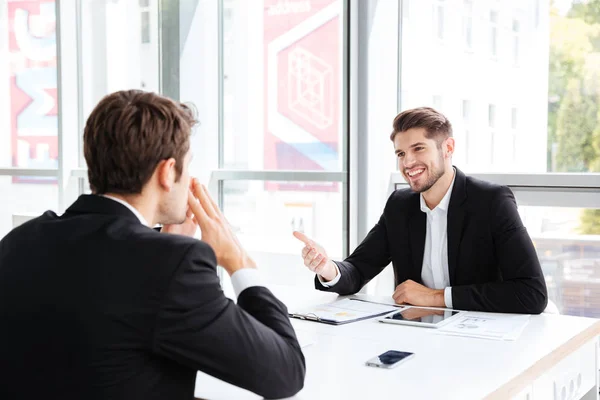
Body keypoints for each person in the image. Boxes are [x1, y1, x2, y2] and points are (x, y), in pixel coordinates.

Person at [0, 90, 305, 400]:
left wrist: (165, 249)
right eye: (187, 167)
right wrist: (237, 261)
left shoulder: (20, 240)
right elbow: (286, 372)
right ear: (166, 172)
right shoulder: (170, 264)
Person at [294, 107, 548, 314]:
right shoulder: (400, 205)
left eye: (418, 149)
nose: (408, 163)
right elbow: (358, 270)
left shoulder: (491, 201)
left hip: (480, 339)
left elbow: (531, 293)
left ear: (448, 148)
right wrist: (327, 268)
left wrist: (436, 298)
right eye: (401, 153)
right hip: (417, 334)